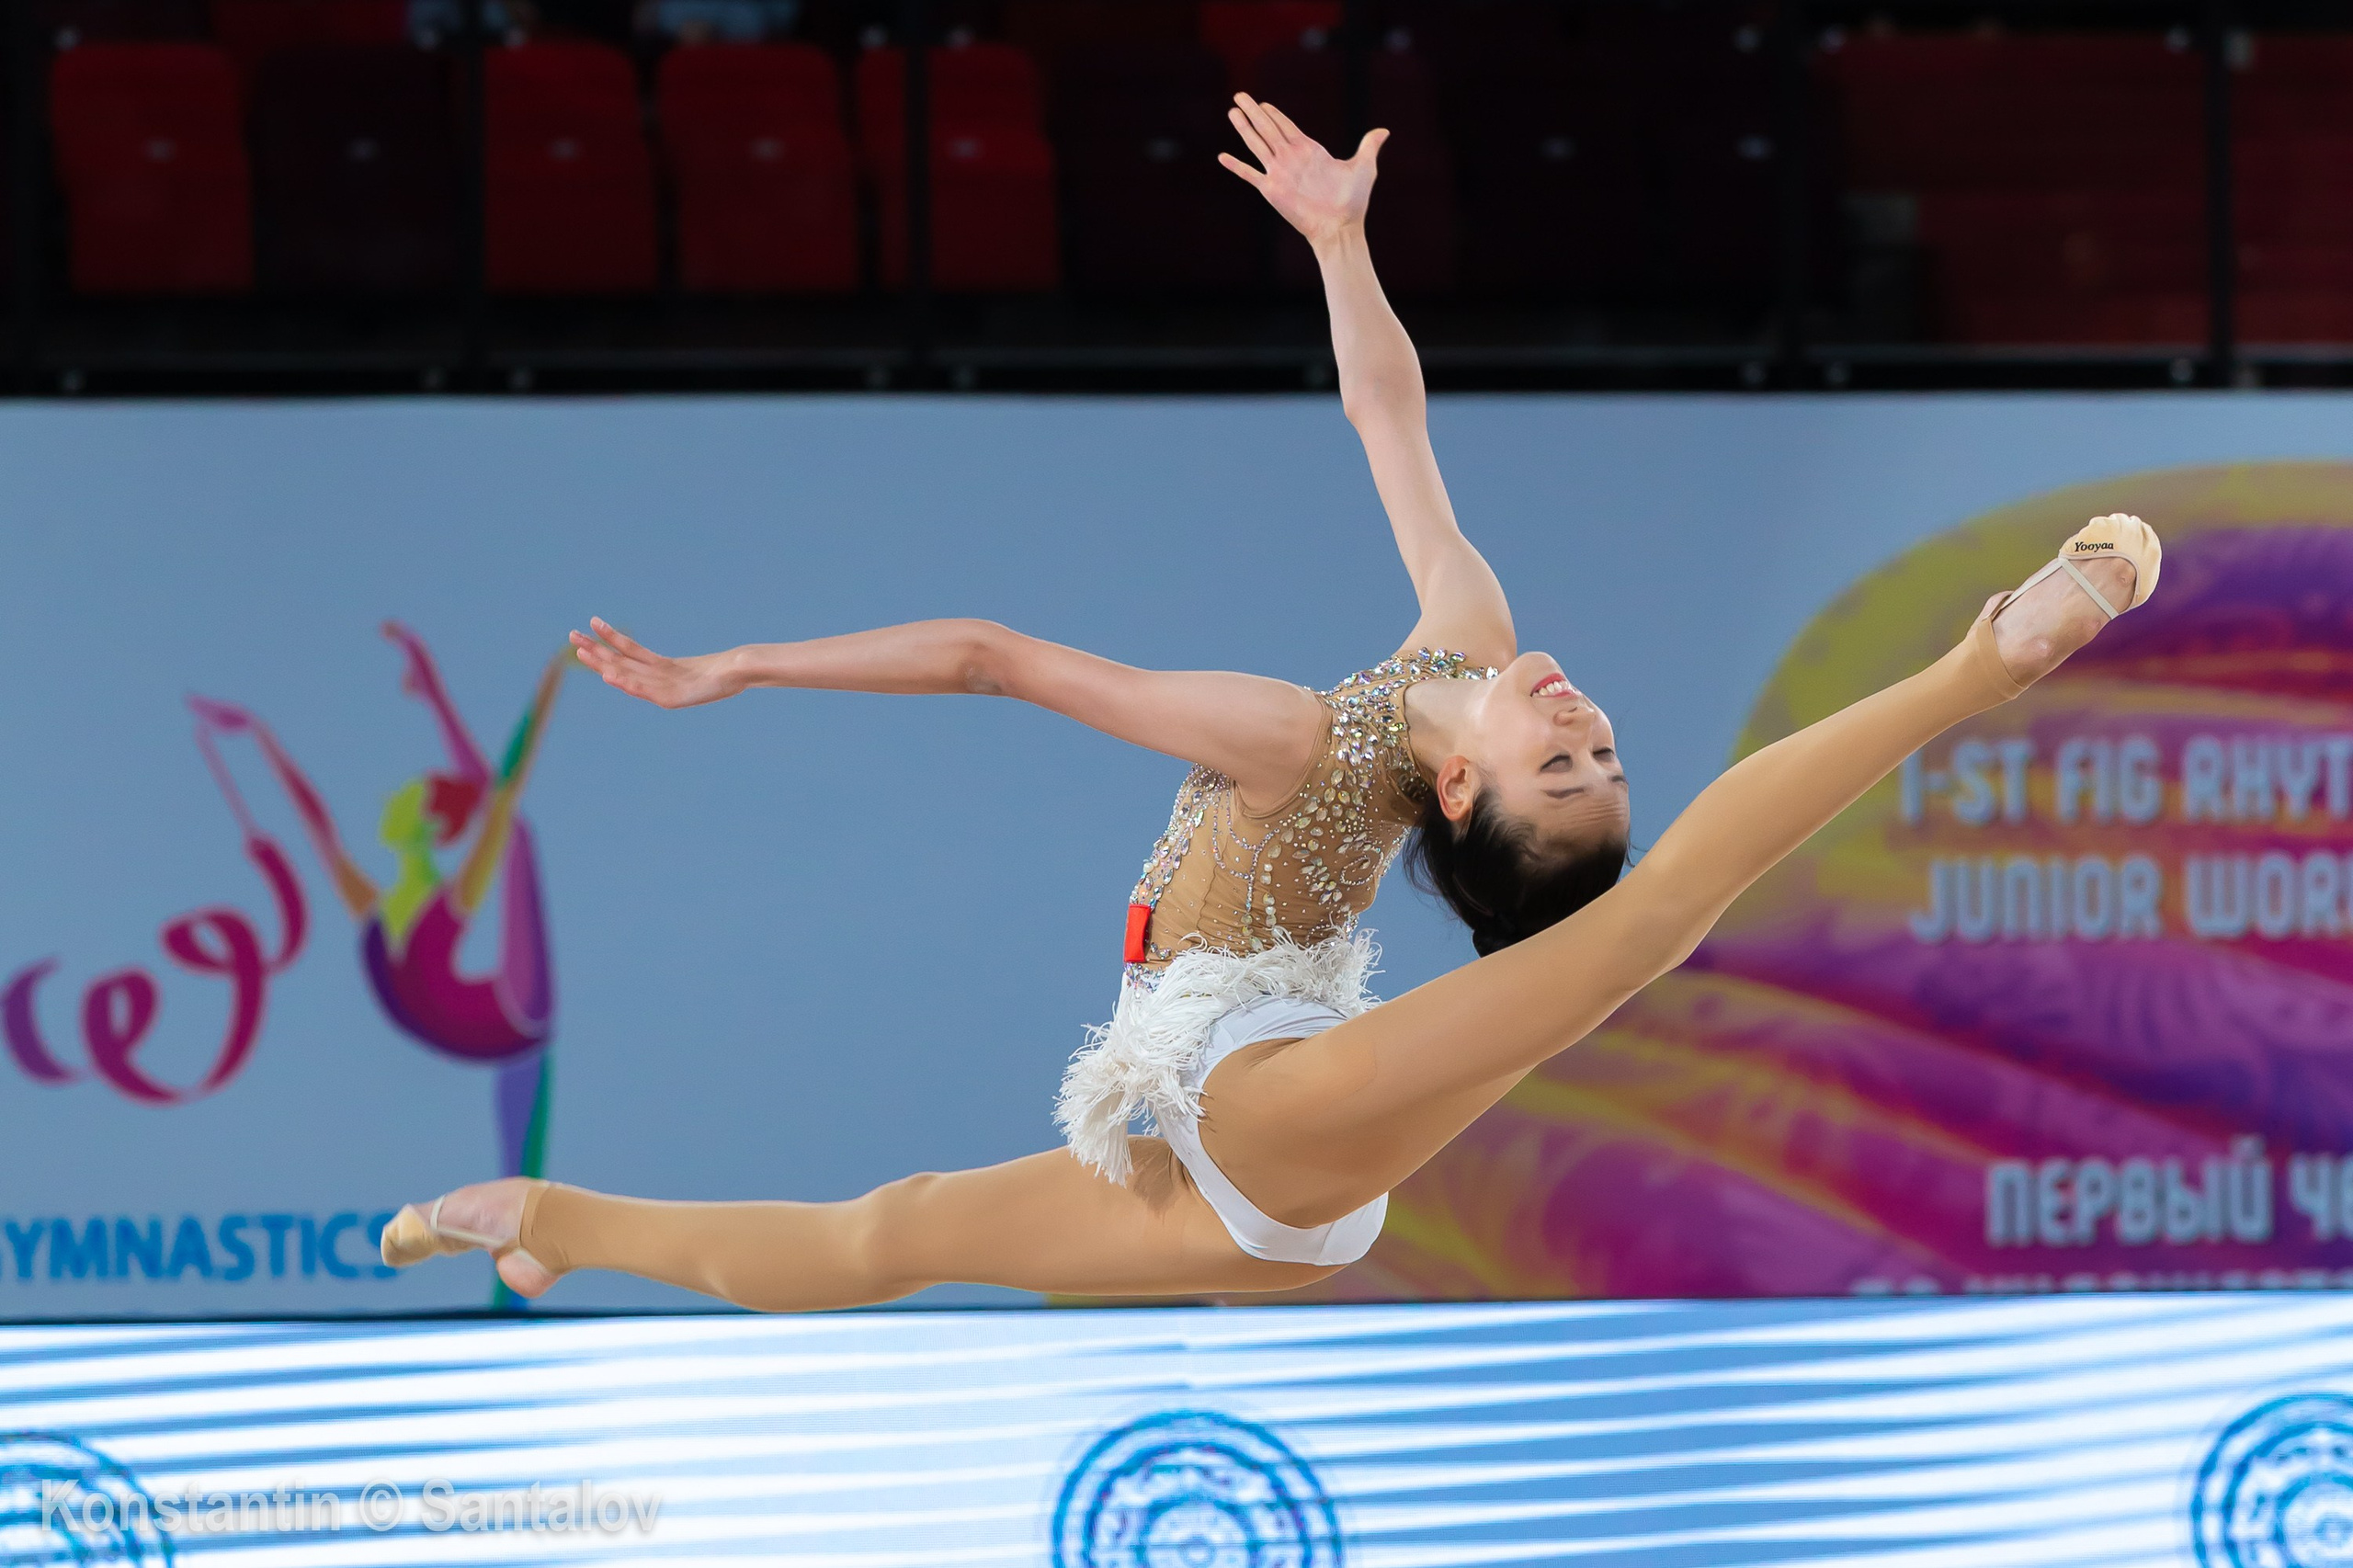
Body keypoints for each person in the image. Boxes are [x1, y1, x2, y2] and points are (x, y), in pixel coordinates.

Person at [380, 96, 2163, 1307]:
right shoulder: (1456, 640)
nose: (1580, 714)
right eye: (1599, 741)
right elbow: (1389, 420)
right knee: (889, 1232)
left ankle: (1984, 656)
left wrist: (741, 665)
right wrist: (1335, 242)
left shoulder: (1294, 742)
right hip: (1257, 1123)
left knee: (1654, 923)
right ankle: (546, 1221)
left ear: (1461, 800)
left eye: (1568, 760)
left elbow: (998, 656)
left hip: (1267, 1104)